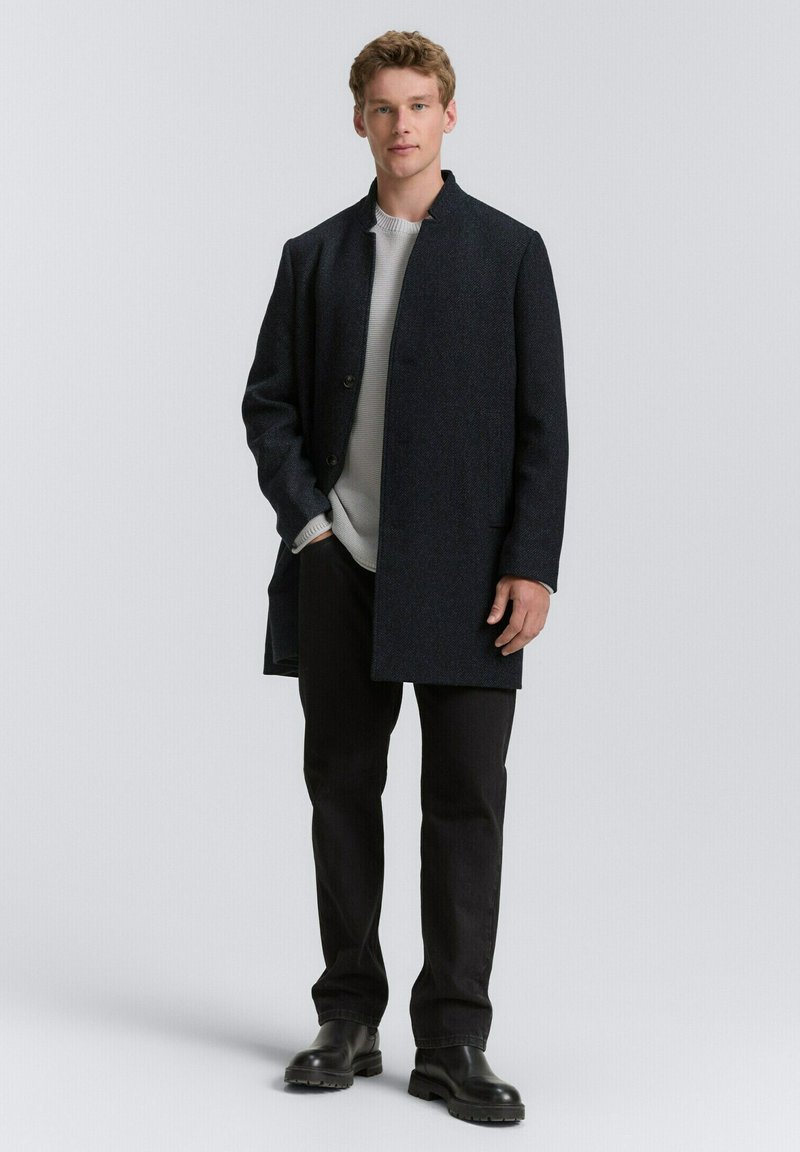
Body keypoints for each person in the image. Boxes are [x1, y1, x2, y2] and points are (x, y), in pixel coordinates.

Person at [241, 29, 568, 1124]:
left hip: (471, 579)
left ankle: (453, 1039)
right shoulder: (314, 256)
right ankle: (347, 1017)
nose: (401, 125)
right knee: (342, 790)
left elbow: (543, 426)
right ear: (358, 120)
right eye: (382, 107)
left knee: (465, 800)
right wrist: (310, 526)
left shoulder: (509, 252)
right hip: (342, 566)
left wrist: (530, 565)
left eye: (418, 105)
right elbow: (269, 404)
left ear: (448, 115)